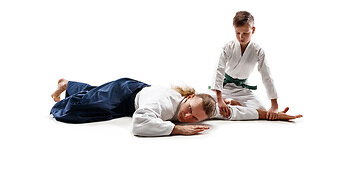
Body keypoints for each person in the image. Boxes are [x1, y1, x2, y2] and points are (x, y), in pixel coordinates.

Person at [50, 77, 302, 137]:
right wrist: (175, 130)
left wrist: (270, 115)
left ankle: (69, 82)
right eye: (190, 110)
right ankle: (67, 85)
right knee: (73, 111)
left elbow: (234, 113)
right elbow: (138, 123)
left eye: (194, 118)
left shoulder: (200, 105)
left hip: (137, 91)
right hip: (123, 93)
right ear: (188, 97)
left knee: (94, 94)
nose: (188, 117)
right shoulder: (162, 104)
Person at [210, 11, 280, 120]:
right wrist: (219, 100)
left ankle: (231, 104)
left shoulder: (258, 51)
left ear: (253, 30)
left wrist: (274, 105)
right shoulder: (228, 47)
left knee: (261, 109)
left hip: (242, 89)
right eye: (237, 33)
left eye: (245, 33)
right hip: (224, 87)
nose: (241, 37)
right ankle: (227, 102)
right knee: (205, 104)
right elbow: (219, 71)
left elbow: (267, 76)